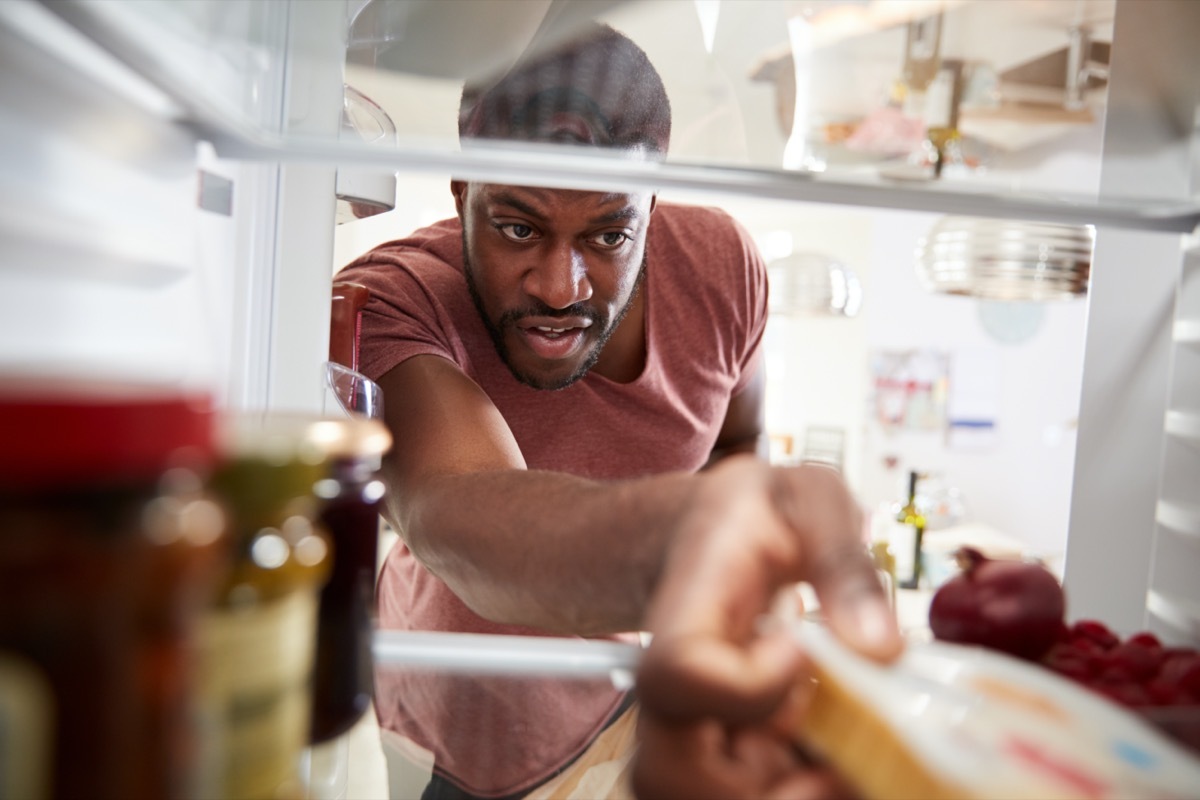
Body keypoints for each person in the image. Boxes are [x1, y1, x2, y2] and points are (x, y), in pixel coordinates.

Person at [336, 21, 902, 800]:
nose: (560, 287)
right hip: (438, 736)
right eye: (517, 227)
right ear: (462, 195)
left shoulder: (721, 270)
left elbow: (737, 441)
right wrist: (700, 546)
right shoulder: (395, 298)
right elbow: (452, 508)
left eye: (608, 232)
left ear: (650, 209)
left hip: (622, 710)